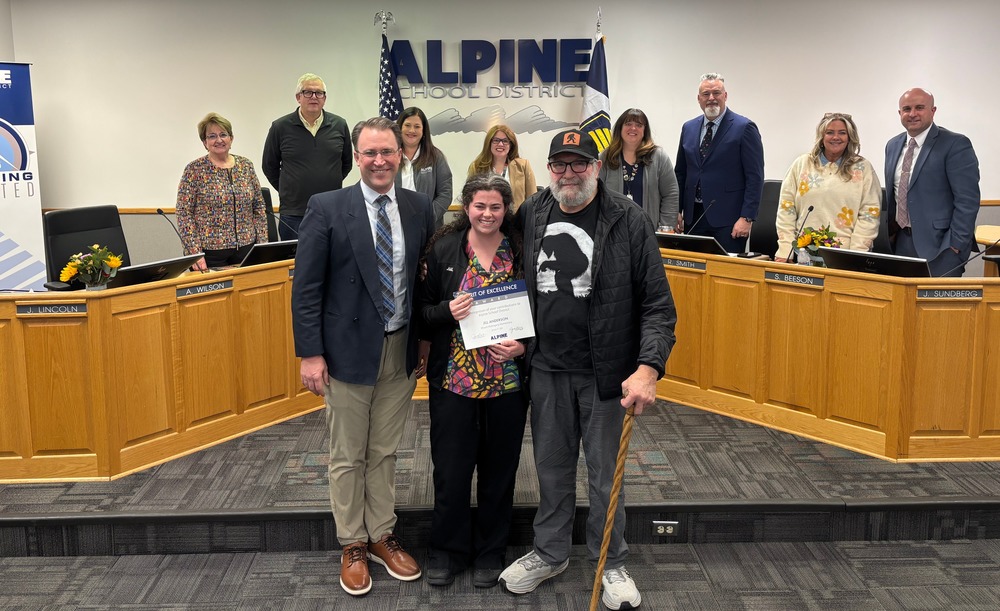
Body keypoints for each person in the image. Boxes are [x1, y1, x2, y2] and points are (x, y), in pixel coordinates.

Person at [498, 129, 677, 610]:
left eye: (580, 164)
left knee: (603, 477)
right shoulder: (534, 211)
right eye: (560, 164)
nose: (569, 173)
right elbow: (500, 255)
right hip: (546, 370)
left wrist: (648, 367)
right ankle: (550, 552)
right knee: (552, 471)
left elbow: (659, 305)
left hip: (607, 374)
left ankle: (611, 561)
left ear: (597, 167)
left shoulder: (628, 218)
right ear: (549, 167)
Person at [291, 116, 436, 597]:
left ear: (401, 155)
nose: (379, 161)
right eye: (370, 153)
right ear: (357, 157)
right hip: (346, 349)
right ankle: (352, 541)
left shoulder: (418, 208)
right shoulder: (327, 207)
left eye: (388, 152)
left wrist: (423, 340)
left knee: (385, 449)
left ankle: (381, 534)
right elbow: (306, 289)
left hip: (399, 346)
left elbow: (421, 280)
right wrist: (310, 354)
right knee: (347, 453)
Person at [416, 174, 528, 589]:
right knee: (451, 469)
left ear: (506, 209)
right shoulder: (445, 249)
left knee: (500, 470)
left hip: (507, 383)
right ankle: (447, 550)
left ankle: (490, 551)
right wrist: (448, 310)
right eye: (479, 206)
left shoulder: (520, 250)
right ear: (466, 207)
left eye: (495, 207)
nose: (487, 214)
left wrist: (523, 348)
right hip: (454, 381)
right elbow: (423, 312)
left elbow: (540, 312)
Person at [885, 88, 981, 277]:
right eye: (906, 109)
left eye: (919, 107)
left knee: (937, 306)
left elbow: (967, 201)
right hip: (901, 243)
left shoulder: (955, 144)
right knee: (903, 305)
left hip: (942, 247)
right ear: (899, 113)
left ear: (933, 110)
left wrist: (956, 246)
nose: (912, 114)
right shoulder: (892, 145)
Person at [774, 113, 882, 262]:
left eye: (842, 133)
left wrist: (856, 255)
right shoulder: (802, 164)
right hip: (804, 252)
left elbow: (870, 213)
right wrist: (785, 250)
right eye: (830, 132)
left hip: (845, 255)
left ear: (850, 137)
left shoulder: (863, 168)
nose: (835, 137)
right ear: (821, 137)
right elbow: (786, 209)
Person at [675, 72, 764, 252]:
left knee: (724, 275)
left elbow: (755, 177)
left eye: (716, 93)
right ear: (698, 99)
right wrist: (676, 210)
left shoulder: (744, 128)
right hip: (693, 217)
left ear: (725, 96)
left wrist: (746, 218)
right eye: (706, 94)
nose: (711, 98)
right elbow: (681, 172)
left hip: (729, 221)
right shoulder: (688, 127)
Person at [262, 73, 353, 239]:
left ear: (324, 98)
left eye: (319, 93)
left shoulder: (340, 125)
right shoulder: (280, 127)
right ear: (298, 97)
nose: (314, 97)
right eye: (308, 92)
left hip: (331, 210)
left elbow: (346, 164)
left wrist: (328, 180)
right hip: (294, 213)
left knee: (332, 262)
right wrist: (289, 189)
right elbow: (269, 166)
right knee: (295, 262)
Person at [176, 112, 269, 270]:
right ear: (205, 142)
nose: (219, 140)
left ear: (231, 139)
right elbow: (184, 213)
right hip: (210, 254)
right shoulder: (194, 169)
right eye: (212, 136)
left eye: (223, 134)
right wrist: (194, 252)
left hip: (248, 249)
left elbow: (258, 207)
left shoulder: (246, 166)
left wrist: (262, 246)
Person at [599, 108, 680, 230]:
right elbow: (596, 194)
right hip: (614, 232)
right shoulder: (606, 157)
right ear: (620, 128)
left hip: (649, 233)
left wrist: (666, 228)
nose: (633, 128)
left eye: (639, 125)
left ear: (644, 130)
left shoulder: (659, 156)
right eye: (628, 124)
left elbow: (671, 194)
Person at [395, 107, 454, 228]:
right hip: (396, 225)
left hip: (428, 227)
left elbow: (445, 194)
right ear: (400, 128)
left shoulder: (436, 157)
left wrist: (427, 217)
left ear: (423, 131)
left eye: (417, 126)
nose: (412, 130)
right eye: (407, 125)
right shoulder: (390, 156)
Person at [467, 125, 537, 210]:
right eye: (496, 140)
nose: (500, 144)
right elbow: (469, 198)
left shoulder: (523, 166)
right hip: (487, 218)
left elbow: (533, 200)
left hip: (516, 220)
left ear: (511, 144)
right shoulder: (477, 167)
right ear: (489, 143)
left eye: (505, 141)